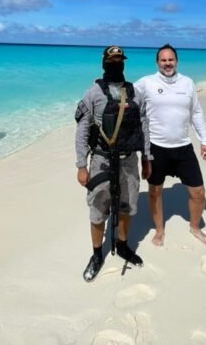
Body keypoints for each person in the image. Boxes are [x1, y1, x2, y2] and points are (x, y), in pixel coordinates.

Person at [75, 45, 152, 282]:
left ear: (124, 63)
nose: (116, 64)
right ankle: (97, 254)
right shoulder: (93, 93)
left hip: (129, 161)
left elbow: (144, 127)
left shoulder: (136, 93)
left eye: (120, 60)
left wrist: (147, 159)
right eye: (112, 60)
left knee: (128, 207)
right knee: (98, 210)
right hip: (101, 161)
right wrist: (81, 165)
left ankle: (123, 244)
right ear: (104, 64)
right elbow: (82, 130)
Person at [135, 43, 206, 246]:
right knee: (155, 191)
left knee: (198, 192)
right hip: (156, 148)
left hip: (183, 147)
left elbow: (196, 112)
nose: (167, 63)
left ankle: (195, 227)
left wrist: (204, 140)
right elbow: (126, 98)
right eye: (163, 60)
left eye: (170, 60)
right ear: (157, 62)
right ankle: (160, 230)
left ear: (176, 61)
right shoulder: (146, 83)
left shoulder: (187, 83)